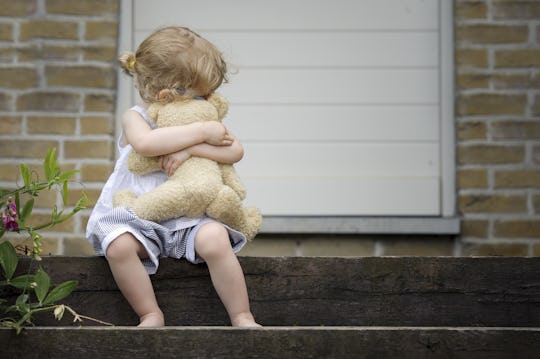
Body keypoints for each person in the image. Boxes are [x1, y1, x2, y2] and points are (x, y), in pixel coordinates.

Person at [86, 26, 260, 327]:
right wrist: (202, 136)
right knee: (119, 246)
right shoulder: (135, 117)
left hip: (190, 219)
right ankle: (150, 313)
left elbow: (235, 151)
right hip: (141, 217)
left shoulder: (204, 114)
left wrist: (190, 150)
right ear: (168, 91)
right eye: (202, 92)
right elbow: (147, 145)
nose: (208, 98)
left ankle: (241, 314)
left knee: (216, 239)